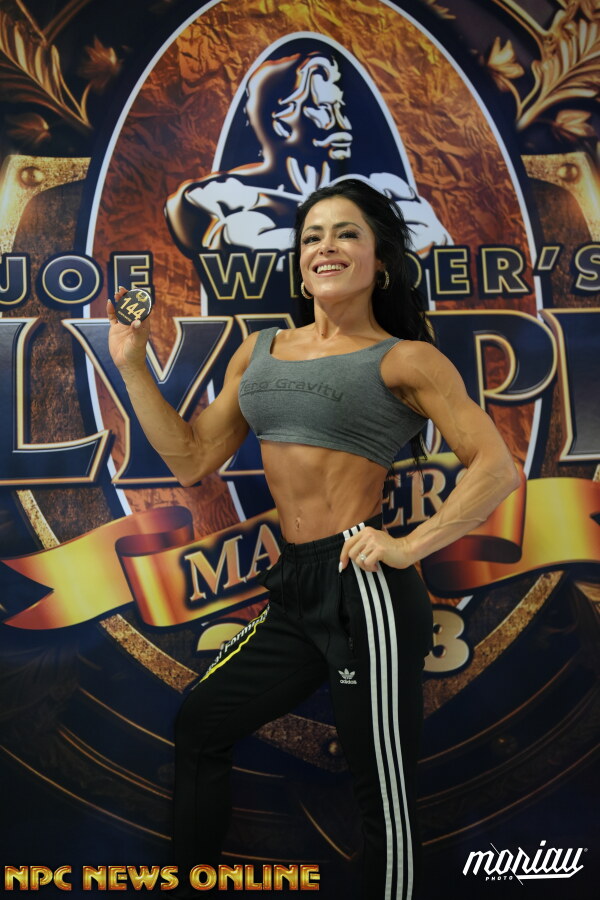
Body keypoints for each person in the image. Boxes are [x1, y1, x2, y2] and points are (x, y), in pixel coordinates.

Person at [107, 179, 519, 899]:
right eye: (312, 237)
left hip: (367, 592)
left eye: (347, 233)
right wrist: (131, 364)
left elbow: (497, 467)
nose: (326, 247)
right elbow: (191, 458)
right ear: (299, 262)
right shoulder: (259, 351)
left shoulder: (405, 359)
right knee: (202, 724)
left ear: (380, 260)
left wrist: (409, 546)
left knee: (379, 792)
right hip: (295, 586)